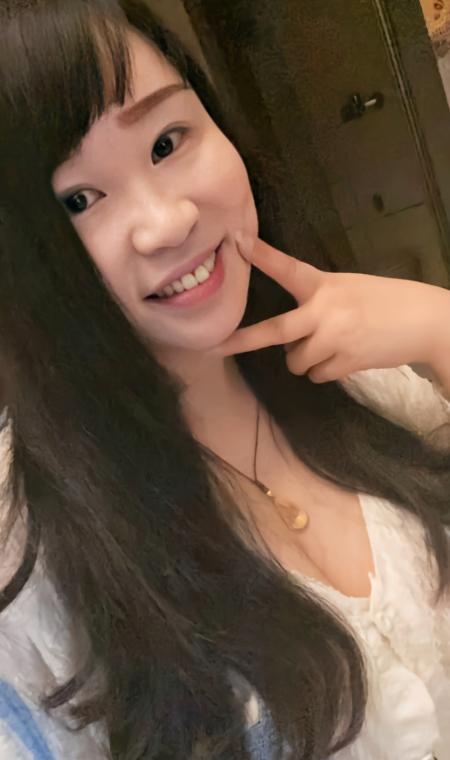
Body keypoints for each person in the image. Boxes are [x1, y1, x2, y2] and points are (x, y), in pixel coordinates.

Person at [0, 2, 450, 758]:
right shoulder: (29, 558)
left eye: (167, 141)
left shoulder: (356, 365)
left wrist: (439, 327)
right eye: (78, 199)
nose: (168, 221)